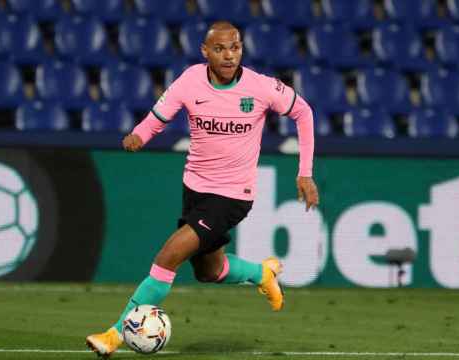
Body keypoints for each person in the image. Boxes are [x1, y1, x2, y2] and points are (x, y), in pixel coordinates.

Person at [86, 21, 319, 357]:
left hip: (232, 196)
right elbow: (159, 115)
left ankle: (115, 335)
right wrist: (140, 134)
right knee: (210, 271)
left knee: (169, 256)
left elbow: (304, 112)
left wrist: (305, 173)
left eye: (235, 47)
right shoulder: (191, 79)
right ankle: (260, 272)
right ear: (205, 52)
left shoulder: (261, 87)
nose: (229, 55)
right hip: (195, 190)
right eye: (220, 49)